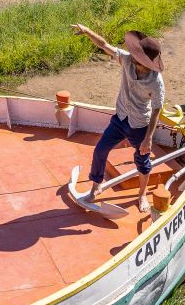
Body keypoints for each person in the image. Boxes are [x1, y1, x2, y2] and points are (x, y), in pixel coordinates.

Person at [69, 25, 166, 212]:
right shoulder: (127, 60)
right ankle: (96, 186)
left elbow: (156, 109)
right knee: (99, 151)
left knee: (142, 162)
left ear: (149, 63)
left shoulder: (155, 81)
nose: (135, 62)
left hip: (140, 125)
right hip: (121, 118)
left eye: (141, 61)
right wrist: (88, 32)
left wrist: (148, 138)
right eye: (136, 58)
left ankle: (142, 195)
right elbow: (104, 45)